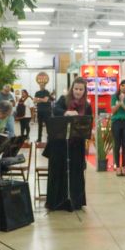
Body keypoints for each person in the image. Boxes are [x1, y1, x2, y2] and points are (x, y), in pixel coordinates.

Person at [44, 78, 92, 211]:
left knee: (75, 171)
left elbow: (89, 122)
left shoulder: (87, 105)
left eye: (81, 89)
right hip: (60, 143)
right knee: (59, 170)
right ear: (72, 89)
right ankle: (57, 201)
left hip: (77, 144)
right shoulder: (63, 99)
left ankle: (75, 201)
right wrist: (66, 112)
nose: (78, 91)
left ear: (84, 90)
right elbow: (55, 109)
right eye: (76, 89)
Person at [111, 80, 125, 176]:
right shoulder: (114, 97)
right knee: (117, 145)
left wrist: (122, 103)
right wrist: (119, 102)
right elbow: (113, 110)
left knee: (124, 145)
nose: (124, 87)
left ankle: (123, 167)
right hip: (116, 122)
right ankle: (117, 167)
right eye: (123, 85)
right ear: (119, 86)